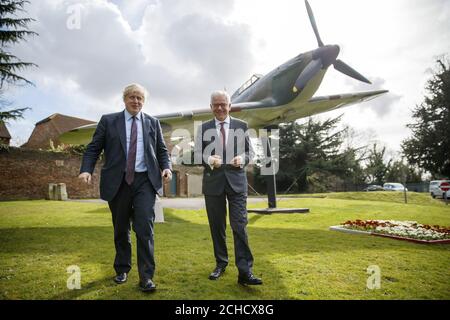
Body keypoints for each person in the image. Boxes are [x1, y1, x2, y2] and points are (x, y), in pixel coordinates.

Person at [78, 83, 172, 292]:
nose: (136, 101)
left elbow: (161, 150)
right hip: (118, 182)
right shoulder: (109, 121)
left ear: (143, 101)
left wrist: (166, 167)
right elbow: (93, 148)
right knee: (121, 228)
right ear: (124, 99)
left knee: (145, 228)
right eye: (132, 97)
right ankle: (122, 268)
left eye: (139, 98)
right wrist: (86, 170)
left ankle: (146, 277)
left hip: (145, 182)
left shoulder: (152, 122)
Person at [194, 90, 262, 286]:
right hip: (213, 184)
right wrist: (208, 159)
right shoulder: (203, 128)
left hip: (237, 183)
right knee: (217, 227)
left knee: (239, 225)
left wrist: (243, 159)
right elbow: (197, 153)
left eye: (223, 104)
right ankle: (220, 264)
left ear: (230, 106)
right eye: (216, 104)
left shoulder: (242, 126)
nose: (220, 107)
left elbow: (250, 152)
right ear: (211, 107)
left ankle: (245, 272)